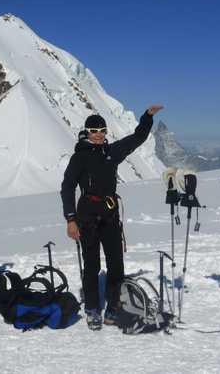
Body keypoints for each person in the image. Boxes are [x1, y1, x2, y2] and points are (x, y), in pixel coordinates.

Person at [61, 105, 163, 330]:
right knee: (91, 265)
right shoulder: (79, 157)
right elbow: (67, 188)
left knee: (116, 263)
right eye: (94, 130)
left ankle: (113, 308)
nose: (99, 134)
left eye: (102, 130)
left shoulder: (112, 152)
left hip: (110, 214)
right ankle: (92, 310)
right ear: (86, 132)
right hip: (86, 215)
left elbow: (137, 138)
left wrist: (146, 117)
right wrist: (70, 219)